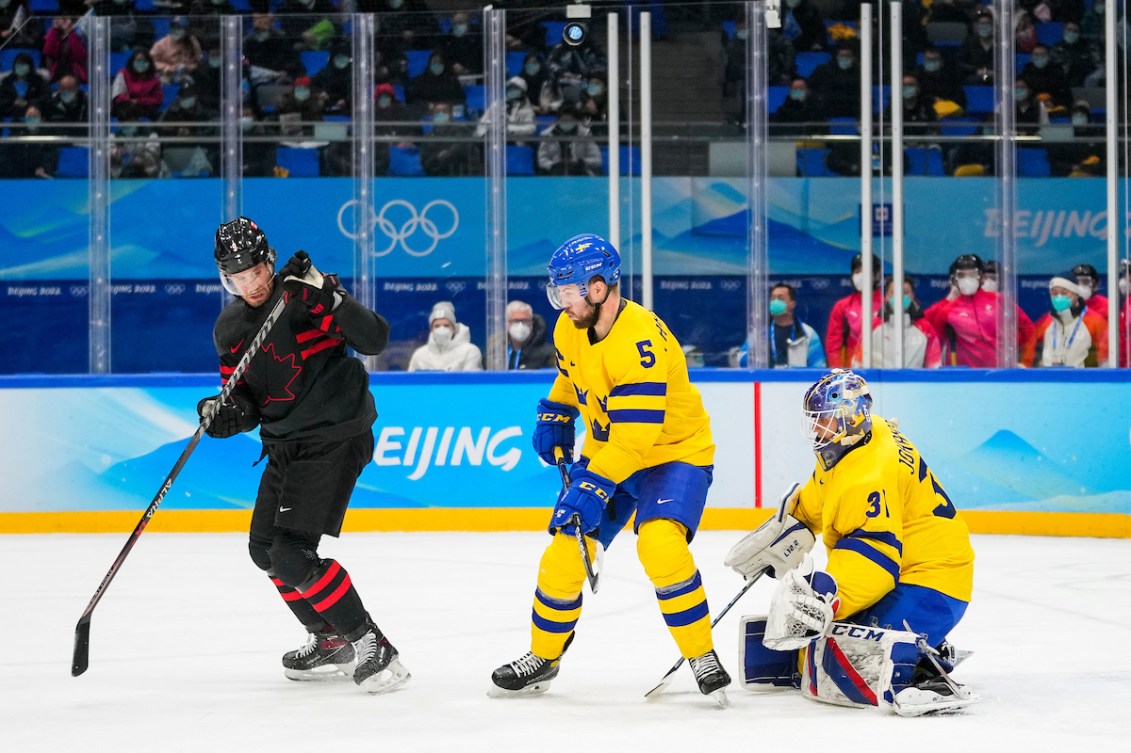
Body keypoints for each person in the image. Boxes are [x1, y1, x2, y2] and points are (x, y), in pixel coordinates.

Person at [491, 234, 730, 704]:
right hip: (612, 450)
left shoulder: (639, 343)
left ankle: (702, 654)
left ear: (598, 288)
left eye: (569, 289)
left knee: (661, 547)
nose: (561, 300)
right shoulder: (568, 326)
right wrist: (556, 411)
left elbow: (636, 441)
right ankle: (544, 657)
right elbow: (571, 375)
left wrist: (592, 485)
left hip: (674, 455)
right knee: (563, 552)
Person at [196, 217, 409, 694]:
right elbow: (247, 399)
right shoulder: (229, 328)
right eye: (236, 277)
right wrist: (227, 412)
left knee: (291, 554)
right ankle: (329, 637)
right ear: (224, 278)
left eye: (254, 271)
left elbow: (375, 339)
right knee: (263, 550)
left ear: (268, 261)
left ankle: (371, 642)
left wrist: (327, 294)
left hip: (336, 436)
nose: (248, 284)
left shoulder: (305, 295)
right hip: (285, 446)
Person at [724, 369, 977, 716]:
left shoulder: (869, 476)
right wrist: (795, 526)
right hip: (912, 570)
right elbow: (827, 490)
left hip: (934, 583)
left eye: (823, 420)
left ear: (849, 419)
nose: (815, 429)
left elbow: (876, 560)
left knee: (844, 656)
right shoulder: (859, 439)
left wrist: (829, 593)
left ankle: (925, 664)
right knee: (819, 649)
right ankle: (923, 642)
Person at [923, 253, 1036, 367]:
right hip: (966, 378)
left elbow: (1029, 330)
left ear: (981, 276)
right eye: (961, 275)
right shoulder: (947, 311)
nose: (967, 279)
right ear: (954, 279)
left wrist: (1024, 361)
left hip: (999, 374)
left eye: (972, 274)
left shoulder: (1000, 301)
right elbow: (934, 344)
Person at [852, 275, 942, 369]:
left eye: (905, 292)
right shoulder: (874, 326)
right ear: (887, 295)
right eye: (894, 292)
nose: (899, 297)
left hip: (915, 382)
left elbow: (934, 366)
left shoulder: (925, 328)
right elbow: (858, 363)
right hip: (879, 382)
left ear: (913, 295)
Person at [1021, 271, 1108, 367]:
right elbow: (1030, 344)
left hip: (1083, 380)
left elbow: (1106, 357)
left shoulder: (1095, 321)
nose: (1059, 297)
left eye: (1064, 293)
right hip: (1050, 379)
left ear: (1076, 294)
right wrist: (1025, 365)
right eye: (1054, 293)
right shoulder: (1047, 321)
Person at [732, 282, 826, 368]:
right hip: (766, 382)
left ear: (792, 304)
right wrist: (754, 358)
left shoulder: (808, 334)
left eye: (780, 298)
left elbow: (818, 367)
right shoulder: (759, 333)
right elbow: (740, 359)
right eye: (773, 298)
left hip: (797, 384)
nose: (775, 302)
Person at [825, 252, 884, 369]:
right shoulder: (842, 306)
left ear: (876, 275)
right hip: (852, 371)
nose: (861, 276)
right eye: (857, 272)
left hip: (882, 369)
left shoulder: (887, 305)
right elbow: (833, 346)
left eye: (866, 271)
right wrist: (839, 375)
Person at [407, 300, 483, 371]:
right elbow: (409, 382)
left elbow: (470, 382)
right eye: (437, 326)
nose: (441, 329)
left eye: (446, 325)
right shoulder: (420, 355)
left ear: (454, 328)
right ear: (431, 329)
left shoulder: (470, 351)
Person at [536, 104, 602, 176]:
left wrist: (581, 162)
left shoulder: (585, 134)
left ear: (576, 120)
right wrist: (554, 165)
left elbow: (597, 159)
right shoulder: (547, 135)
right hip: (555, 173)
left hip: (579, 172)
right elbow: (542, 160)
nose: (566, 123)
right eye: (563, 120)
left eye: (570, 120)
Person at [111, 49, 163, 121]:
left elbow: (157, 99)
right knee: (125, 110)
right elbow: (118, 94)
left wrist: (138, 101)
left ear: (149, 63)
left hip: (144, 106)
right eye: (138, 60)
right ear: (132, 61)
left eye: (144, 60)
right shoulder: (123, 73)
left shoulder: (155, 79)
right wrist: (130, 101)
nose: (141, 63)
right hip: (125, 105)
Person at [503, 300, 555, 370]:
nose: (520, 325)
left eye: (525, 321)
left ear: (532, 323)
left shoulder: (549, 354)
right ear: (507, 323)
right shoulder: (496, 350)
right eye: (515, 321)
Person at [149, 17, 202, 84]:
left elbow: (197, 60)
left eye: (178, 28)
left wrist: (188, 67)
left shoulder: (191, 42)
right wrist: (168, 68)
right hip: (165, 76)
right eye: (173, 27)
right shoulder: (161, 44)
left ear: (185, 30)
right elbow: (151, 61)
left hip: (185, 76)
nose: (175, 30)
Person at [0, 51, 50, 121]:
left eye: (23, 64)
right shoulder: (7, 82)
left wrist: (28, 103)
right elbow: (2, 100)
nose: (20, 67)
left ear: (30, 66)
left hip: (33, 114)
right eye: (18, 64)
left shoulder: (39, 81)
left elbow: (46, 98)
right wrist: (13, 102)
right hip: (10, 116)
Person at [43, 15, 87, 83]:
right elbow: (49, 52)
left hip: (74, 73)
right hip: (57, 73)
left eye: (65, 19)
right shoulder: (53, 34)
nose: (63, 22)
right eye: (61, 19)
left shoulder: (78, 34)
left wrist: (70, 32)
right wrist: (54, 29)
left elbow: (81, 56)